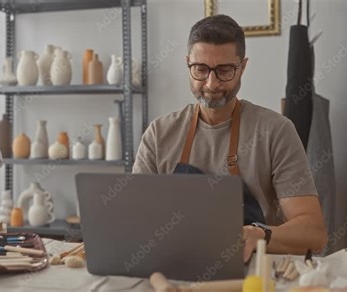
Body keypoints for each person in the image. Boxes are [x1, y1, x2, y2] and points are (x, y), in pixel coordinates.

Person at [133, 14, 327, 262]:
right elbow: (136, 219)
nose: (211, 84)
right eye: (200, 69)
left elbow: (314, 233)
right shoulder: (158, 134)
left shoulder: (276, 131)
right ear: (188, 64)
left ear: (242, 67)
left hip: (254, 272)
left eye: (224, 70)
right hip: (175, 264)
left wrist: (261, 235)